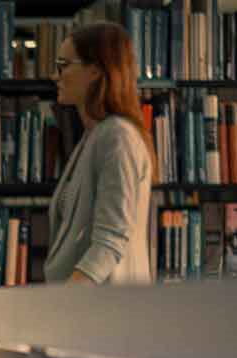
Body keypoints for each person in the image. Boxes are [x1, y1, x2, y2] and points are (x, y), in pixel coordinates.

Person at [44, 22, 157, 285]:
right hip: (86, 309)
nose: (55, 75)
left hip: (100, 312)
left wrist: (65, 302)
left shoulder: (117, 137)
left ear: (94, 70)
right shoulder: (94, 135)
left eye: (63, 64)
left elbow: (111, 239)